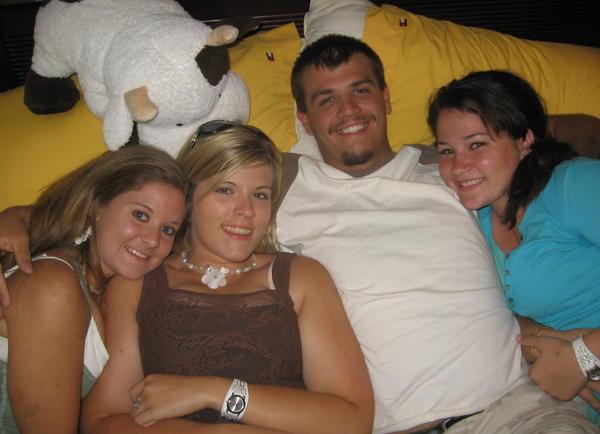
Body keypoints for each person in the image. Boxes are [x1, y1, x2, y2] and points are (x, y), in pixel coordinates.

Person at [1, 36, 599, 433]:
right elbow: (154, 193)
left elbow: (543, 143)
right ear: (303, 120)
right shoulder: (277, 177)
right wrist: (22, 220)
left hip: (513, 411)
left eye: (361, 89)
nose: (349, 110)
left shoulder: (451, 169)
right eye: (325, 99)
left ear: (387, 97)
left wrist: (579, 348)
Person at [79, 123, 373, 434]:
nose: (246, 210)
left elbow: (353, 419)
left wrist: (214, 392)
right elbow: (101, 421)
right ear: (189, 199)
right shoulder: (138, 283)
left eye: (260, 195)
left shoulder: (300, 278)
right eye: (225, 190)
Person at [427, 69, 600, 426]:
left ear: (525, 140)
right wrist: (550, 341)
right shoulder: (474, 222)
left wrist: (584, 356)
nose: (459, 166)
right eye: (446, 151)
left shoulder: (573, 184)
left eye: (477, 144)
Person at [0, 144, 186, 434]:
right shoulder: (53, 287)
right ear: (96, 206)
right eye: (140, 215)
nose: (153, 240)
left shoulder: (105, 284)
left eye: (168, 229)